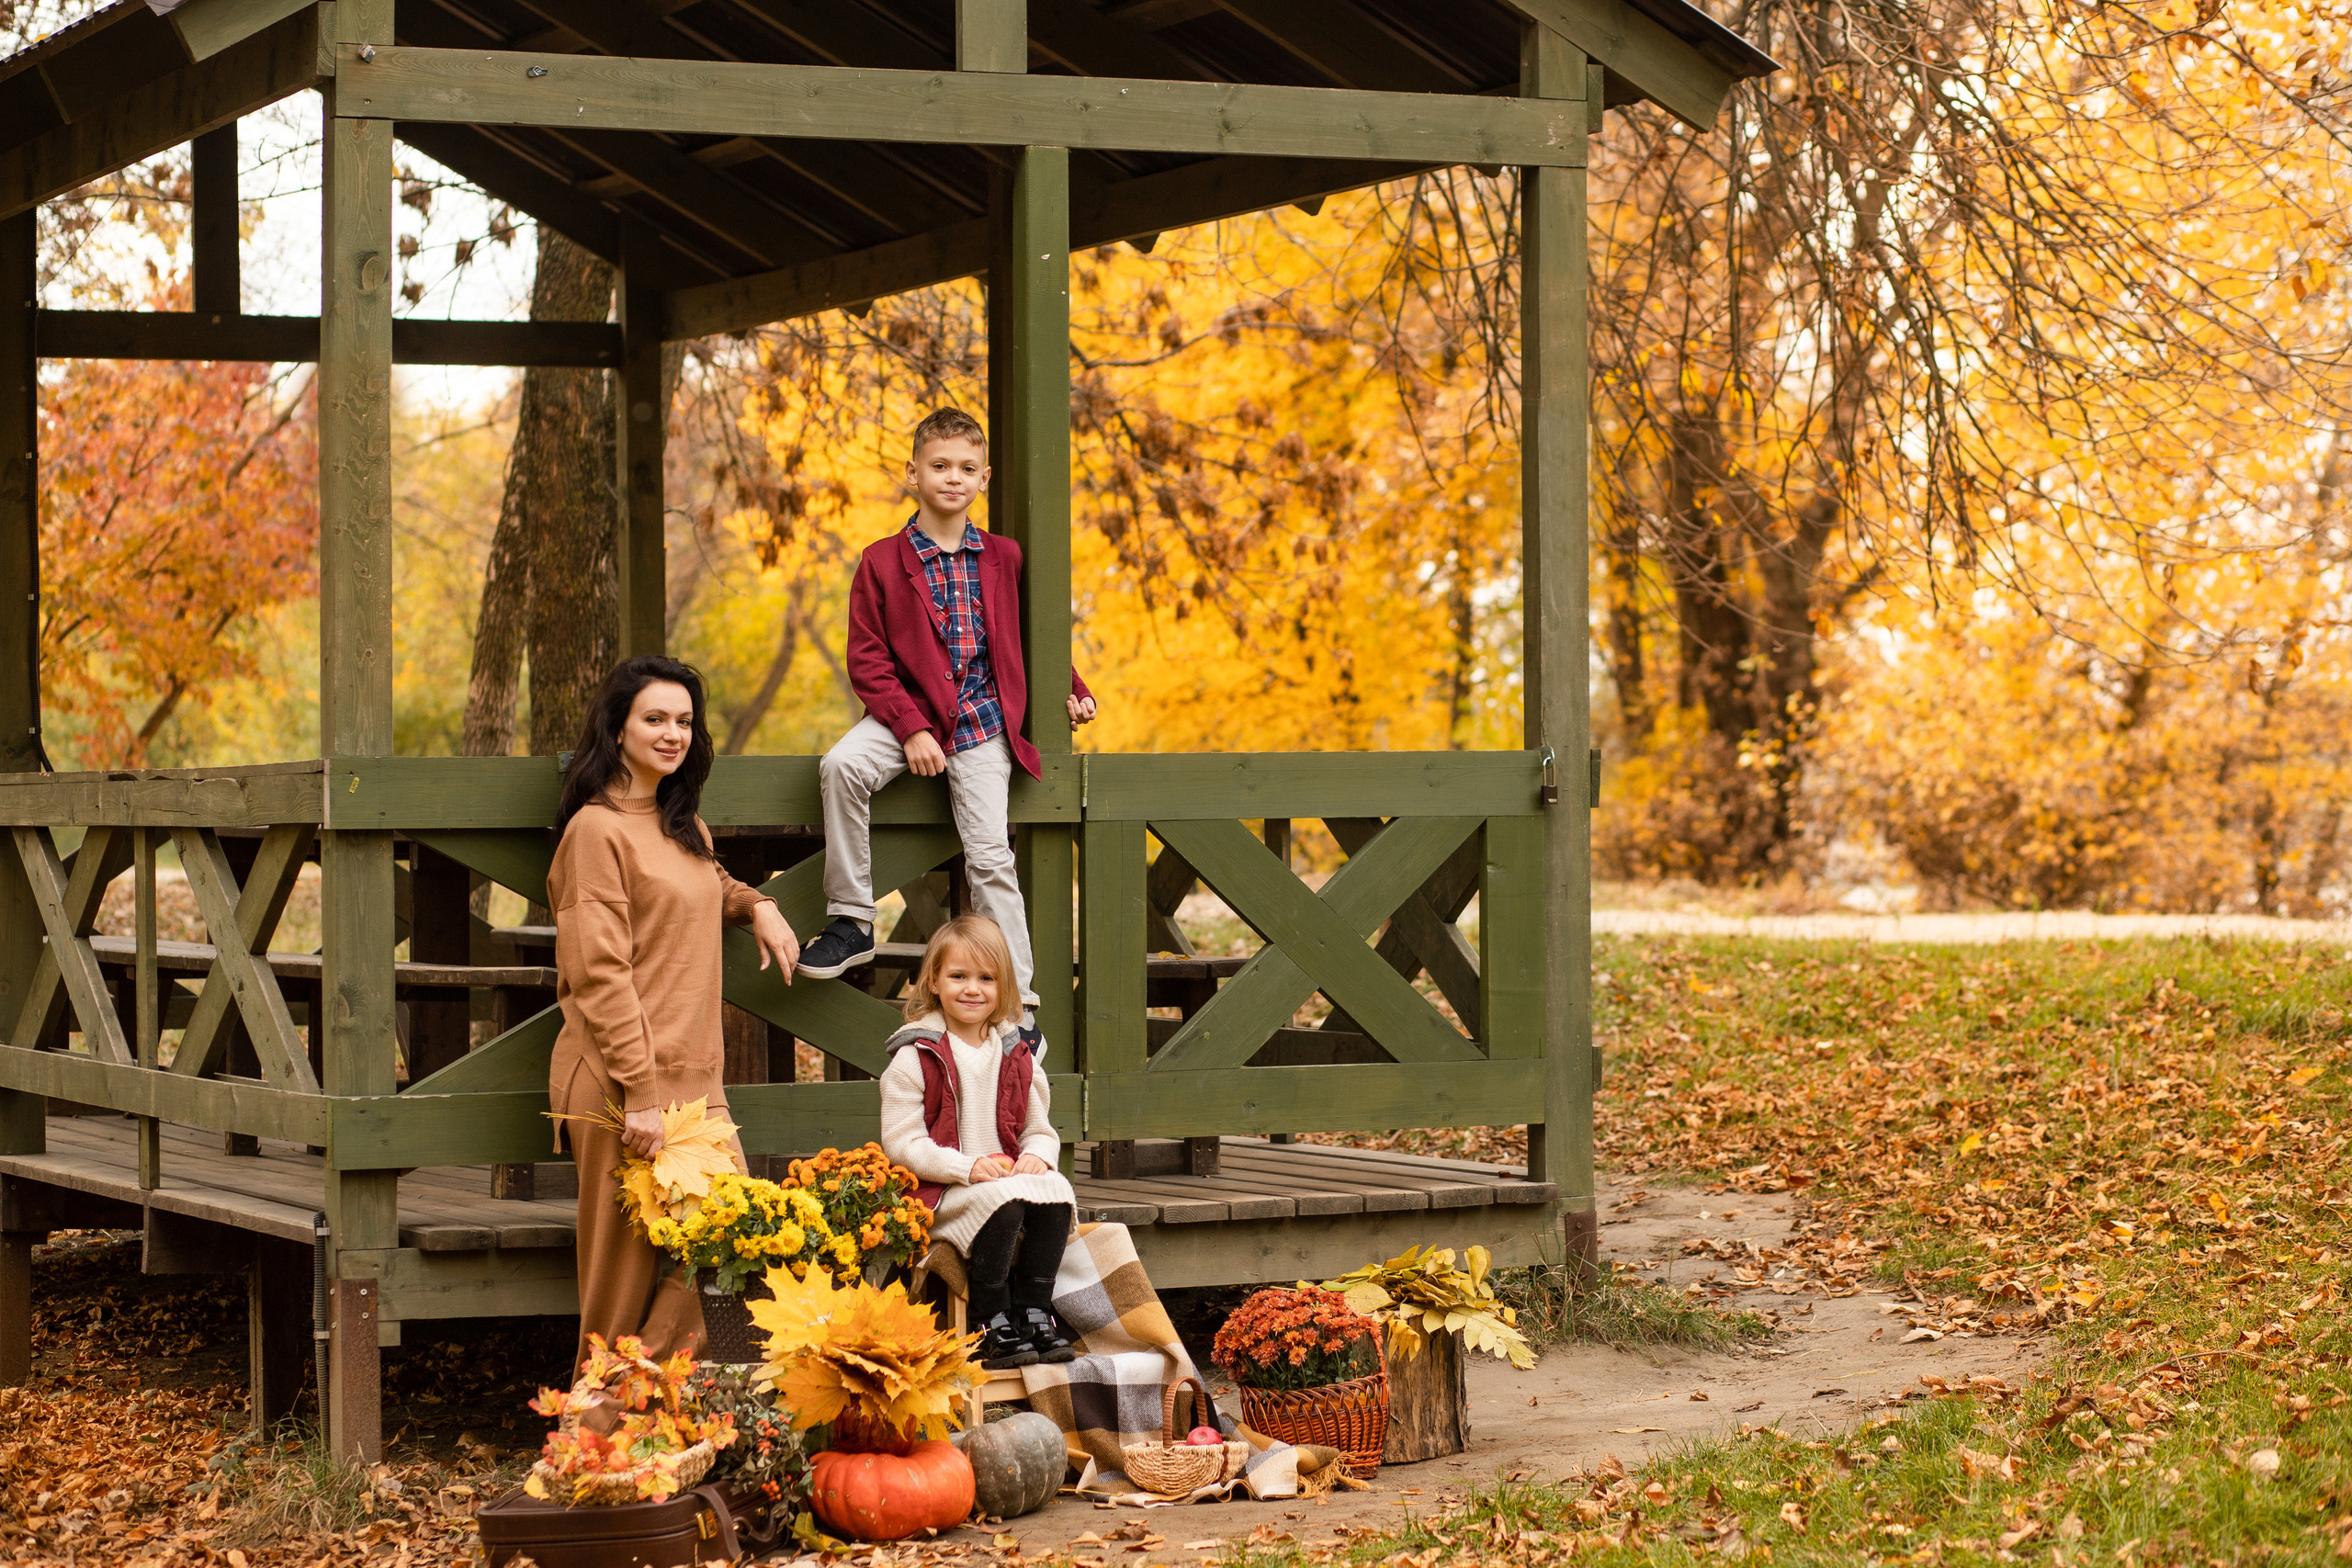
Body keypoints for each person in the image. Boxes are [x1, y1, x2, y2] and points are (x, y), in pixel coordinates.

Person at [796, 407, 1097, 1036]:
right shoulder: (881, 562)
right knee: (842, 765)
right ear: (913, 473)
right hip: (907, 713)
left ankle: (1020, 1006)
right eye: (939, 465)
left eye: (965, 468)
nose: (952, 477)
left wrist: (1069, 690)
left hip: (983, 722)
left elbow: (1031, 639)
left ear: (983, 477)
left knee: (990, 857)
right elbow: (867, 658)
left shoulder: (1006, 558)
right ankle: (851, 920)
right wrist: (909, 728)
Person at [547, 655, 799, 1369]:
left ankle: (633, 1407)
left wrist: (756, 903)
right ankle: (593, 1442)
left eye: (684, 720)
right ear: (617, 727)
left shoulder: (681, 823)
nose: (672, 733)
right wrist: (640, 1093)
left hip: (697, 1083)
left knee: (736, 1247)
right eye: (654, 718)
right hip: (624, 1084)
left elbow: (703, 880)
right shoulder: (595, 833)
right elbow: (599, 973)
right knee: (618, 1287)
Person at [878, 915, 1080, 1371]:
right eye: (958, 976)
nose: (973, 989)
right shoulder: (917, 1057)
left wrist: (1035, 1156)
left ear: (1003, 987)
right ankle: (990, 1321)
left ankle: (1034, 1311)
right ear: (934, 980)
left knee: (1056, 1192)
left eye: (986, 979)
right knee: (1002, 1203)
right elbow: (902, 1141)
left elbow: (1040, 1130)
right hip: (945, 1188)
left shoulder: (1017, 1053)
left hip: (1004, 1178)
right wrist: (964, 1167)